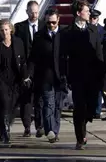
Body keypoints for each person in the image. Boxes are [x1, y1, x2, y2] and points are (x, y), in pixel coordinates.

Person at [63, 0, 105, 150]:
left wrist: (101, 72)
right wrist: (65, 75)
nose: (89, 13)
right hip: (77, 77)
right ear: (78, 13)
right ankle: (80, 137)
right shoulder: (68, 32)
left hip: (93, 75)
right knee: (79, 107)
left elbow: (99, 52)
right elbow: (63, 56)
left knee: (92, 108)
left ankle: (83, 124)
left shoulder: (93, 30)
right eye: (86, 11)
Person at [0, 19, 29, 145]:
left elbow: (23, 62)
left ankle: (3, 126)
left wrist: (25, 77)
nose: (4, 32)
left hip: (15, 79)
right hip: (0, 79)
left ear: (10, 29)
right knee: (4, 103)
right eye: (1, 30)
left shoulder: (18, 42)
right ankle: (6, 132)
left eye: (6, 29)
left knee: (11, 106)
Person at [28, 8, 68, 143]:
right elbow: (33, 58)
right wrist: (30, 75)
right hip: (45, 76)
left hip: (61, 76)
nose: (51, 25)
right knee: (48, 104)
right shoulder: (39, 36)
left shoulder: (64, 34)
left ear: (58, 20)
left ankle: (55, 131)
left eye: (53, 22)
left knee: (58, 106)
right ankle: (50, 129)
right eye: (48, 23)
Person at [14, 0, 43, 137]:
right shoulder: (19, 28)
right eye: (31, 12)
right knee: (25, 99)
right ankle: (27, 126)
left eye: (36, 12)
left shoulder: (44, 25)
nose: (34, 15)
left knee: (39, 99)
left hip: (40, 68)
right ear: (27, 12)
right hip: (25, 68)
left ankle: (39, 125)